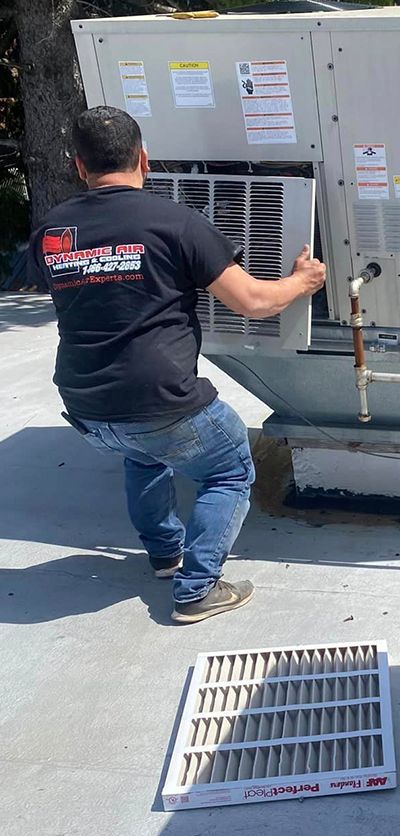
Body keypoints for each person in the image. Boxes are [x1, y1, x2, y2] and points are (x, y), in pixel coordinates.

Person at [28, 106, 326, 623]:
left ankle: (166, 556)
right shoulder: (174, 222)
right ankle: (197, 588)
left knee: (144, 455)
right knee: (230, 469)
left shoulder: (53, 230)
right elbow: (253, 301)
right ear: (143, 158)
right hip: (159, 399)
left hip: (87, 405)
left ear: (80, 167)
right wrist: (302, 281)